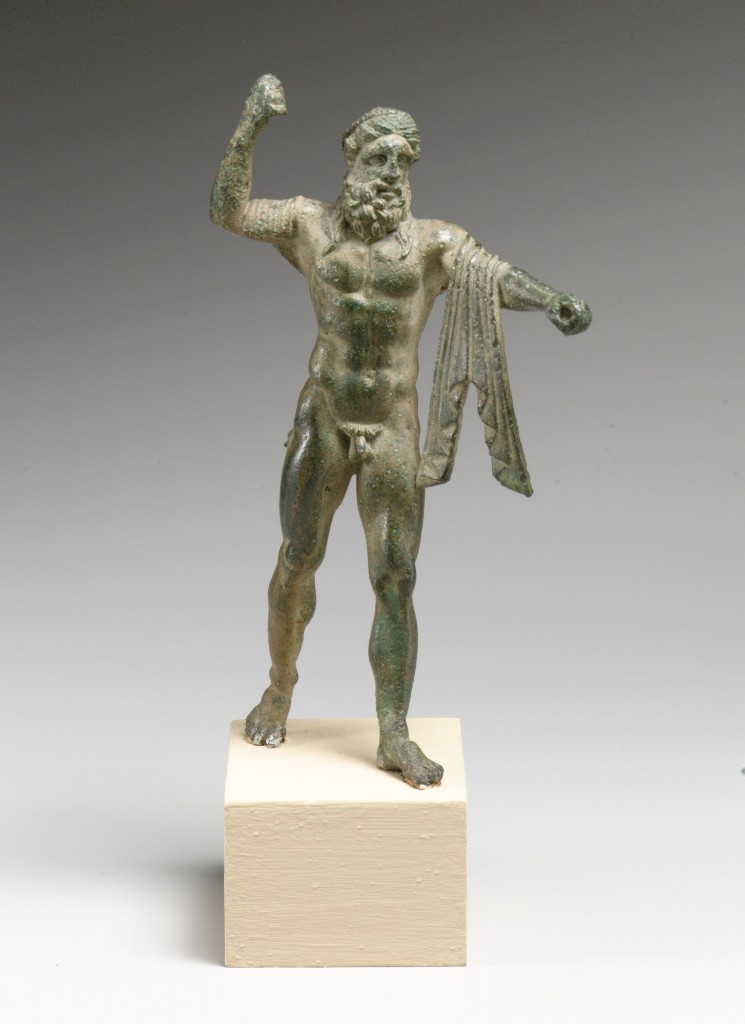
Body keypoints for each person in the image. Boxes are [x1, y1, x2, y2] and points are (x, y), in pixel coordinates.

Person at [210, 75, 591, 788]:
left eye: (402, 162)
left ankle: (392, 732)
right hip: (324, 414)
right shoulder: (307, 226)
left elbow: (493, 277)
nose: (390, 173)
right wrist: (250, 124)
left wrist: (551, 299)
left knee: (395, 578)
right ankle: (279, 688)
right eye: (378, 157)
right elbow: (228, 211)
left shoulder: (432, 245)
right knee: (298, 555)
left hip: (391, 424)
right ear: (350, 157)